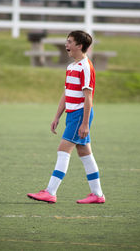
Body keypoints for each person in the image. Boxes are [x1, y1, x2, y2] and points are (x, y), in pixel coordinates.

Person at [27, 30, 105, 204]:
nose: (66, 45)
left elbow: (88, 98)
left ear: (79, 45)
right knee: (85, 153)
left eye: (70, 42)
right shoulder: (71, 66)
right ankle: (97, 195)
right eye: (66, 41)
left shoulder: (85, 66)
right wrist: (57, 117)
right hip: (72, 115)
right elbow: (66, 93)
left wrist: (85, 124)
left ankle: (50, 192)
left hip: (79, 115)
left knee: (63, 151)